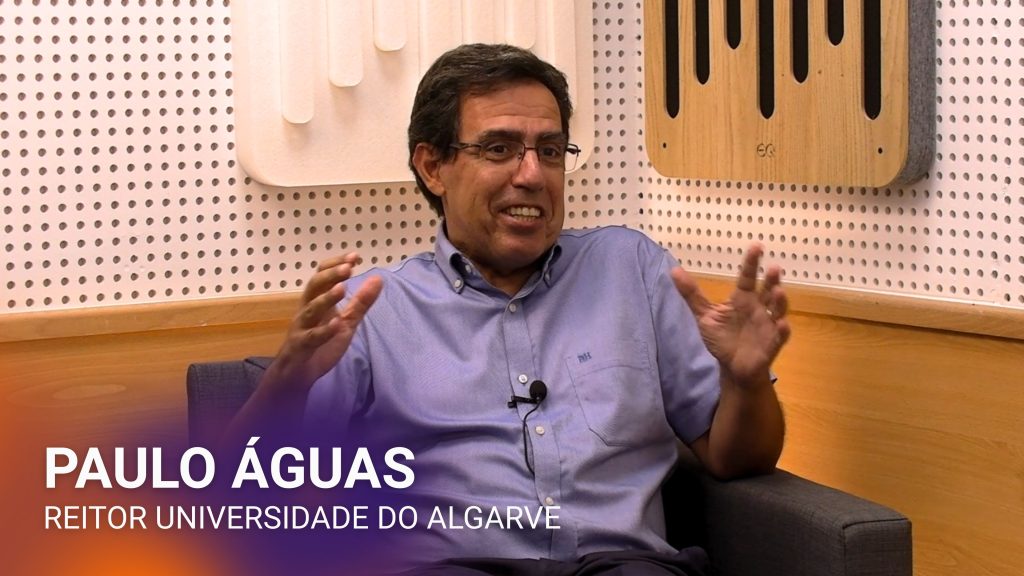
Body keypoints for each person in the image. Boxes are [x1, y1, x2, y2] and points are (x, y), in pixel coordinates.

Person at [228, 43, 789, 575]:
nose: (532, 175)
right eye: (498, 149)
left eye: (550, 151)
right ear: (433, 167)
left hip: (620, 562)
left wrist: (745, 381)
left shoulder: (633, 270)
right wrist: (288, 380)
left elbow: (738, 460)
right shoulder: (369, 310)